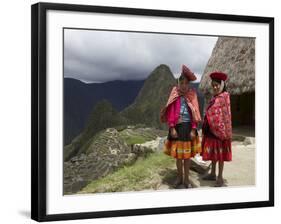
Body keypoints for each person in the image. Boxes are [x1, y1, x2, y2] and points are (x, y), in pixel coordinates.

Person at [160, 65, 201, 188]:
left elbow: (195, 112)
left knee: (187, 156)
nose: (184, 85)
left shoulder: (192, 95)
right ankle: (180, 177)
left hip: (188, 127)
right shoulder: (175, 94)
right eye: (181, 83)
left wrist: (194, 128)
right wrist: (172, 127)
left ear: (189, 84)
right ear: (178, 83)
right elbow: (171, 111)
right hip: (177, 128)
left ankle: (187, 179)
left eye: (186, 83)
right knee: (178, 156)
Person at [201, 71, 232, 187]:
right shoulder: (215, 97)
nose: (214, 87)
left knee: (220, 155)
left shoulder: (224, 97)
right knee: (214, 154)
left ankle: (220, 178)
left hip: (220, 132)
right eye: (213, 85)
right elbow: (212, 112)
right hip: (212, 131)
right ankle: (213, 174)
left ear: (222, 84)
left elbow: (224, 115)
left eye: (216, 85)